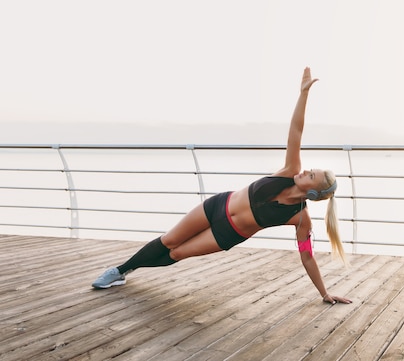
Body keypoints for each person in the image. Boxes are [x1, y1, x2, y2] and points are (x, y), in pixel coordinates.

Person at [92, 67, 352, 305]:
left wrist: (324, 293)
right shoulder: (289, 170)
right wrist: (303, 93)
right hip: (218, 205)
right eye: (310, 170)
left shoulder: (300, 218)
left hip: (227, 234)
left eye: (311, 175)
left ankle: (134, 268)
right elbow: (296, 130)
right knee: (169, 239)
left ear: (312, 192)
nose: (306, 171)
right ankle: (120, 270)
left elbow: (307, 256)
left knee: (176, 253)